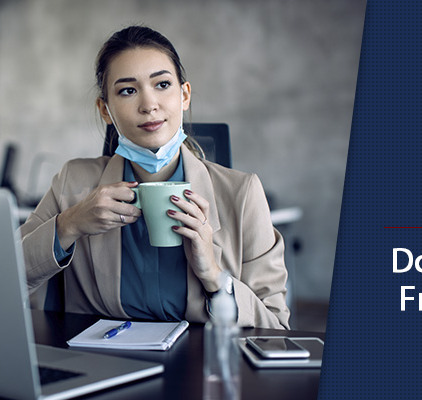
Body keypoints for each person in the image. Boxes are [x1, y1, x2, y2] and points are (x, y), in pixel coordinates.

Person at [20, 26, 290, 329]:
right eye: (127, 90)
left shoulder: (242, 193)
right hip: (103, 363)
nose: (149, 105)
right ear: (105, 110)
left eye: (162, 84)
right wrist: (69, 224)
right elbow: (2, 279)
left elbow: (275, 327)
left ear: (184, 95)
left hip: (199, 367)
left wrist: (214, 276)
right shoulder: (72, 182)